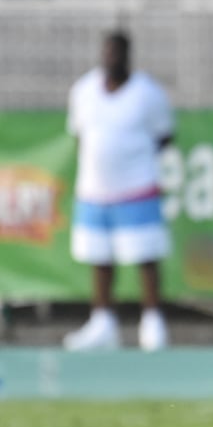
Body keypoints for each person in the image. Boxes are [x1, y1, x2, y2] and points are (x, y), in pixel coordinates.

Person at [62, 31, 174, 352]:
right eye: (106, 52)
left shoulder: (147, 93)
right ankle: (103, 323)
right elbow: (79, 135)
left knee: (145, 257)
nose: (110, 58)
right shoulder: (83, 91)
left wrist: (131, 157)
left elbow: (164, 135)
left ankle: (152, 322)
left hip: (137, 188)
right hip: (94, 191)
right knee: (99, 258)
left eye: (116, 53)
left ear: (127, 55)